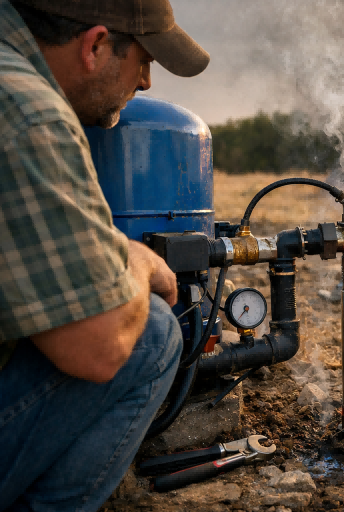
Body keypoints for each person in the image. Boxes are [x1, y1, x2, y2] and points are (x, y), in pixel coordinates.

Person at [0, 0, 209, 509]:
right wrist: (136, 261)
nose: (146, 84)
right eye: (144, 59)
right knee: (151, 334)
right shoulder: (30, 113)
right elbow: (96, 349)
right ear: (95, 45)